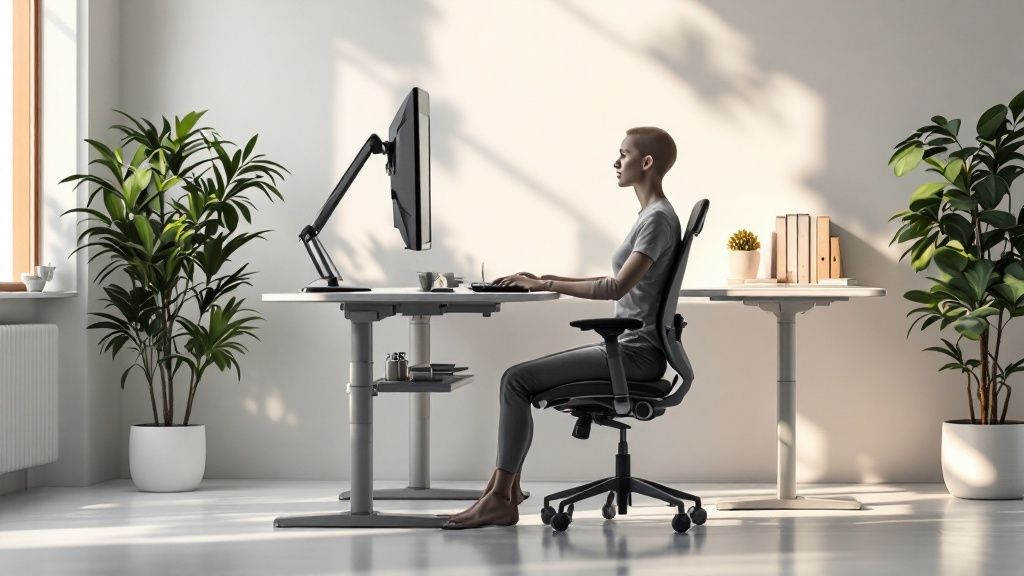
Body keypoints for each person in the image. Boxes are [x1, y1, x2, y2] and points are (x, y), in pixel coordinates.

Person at [442, 127, 682, 530]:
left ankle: (500, 498)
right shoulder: (652, 216)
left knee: (515, 381)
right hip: (634, 349)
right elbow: (621, 280)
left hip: (635, 355)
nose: (615, 162)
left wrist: (546, 285)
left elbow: (615, 288)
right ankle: (504, 491)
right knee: (518, 381)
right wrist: (546, 276)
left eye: (623, 154)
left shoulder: (657, 220)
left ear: (646, 163)